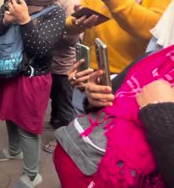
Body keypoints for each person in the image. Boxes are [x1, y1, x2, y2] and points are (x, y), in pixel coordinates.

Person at [0, 0, 65, 187]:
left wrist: (24, 20)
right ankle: (13, 150)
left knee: (28, 127)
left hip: (32, 78)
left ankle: (32, 174)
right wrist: (6, 21)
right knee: (9, 115)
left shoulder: (55, 13)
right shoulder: (14, 1)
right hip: (7, 72)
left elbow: (40, 50)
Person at [54, 45, 174, 187]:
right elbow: (106, 106)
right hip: (81, 169)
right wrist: (94, 97)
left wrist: (161, 112)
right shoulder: (156, 58)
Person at [43, 0, 83, 154]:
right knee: (57, 100)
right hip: (55, 64)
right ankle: (55, 122)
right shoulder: (58, 1)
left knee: (65, 105)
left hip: (66, 66)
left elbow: (74, 39)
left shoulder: (72, 2)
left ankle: (62, 141)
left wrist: (47, 33)